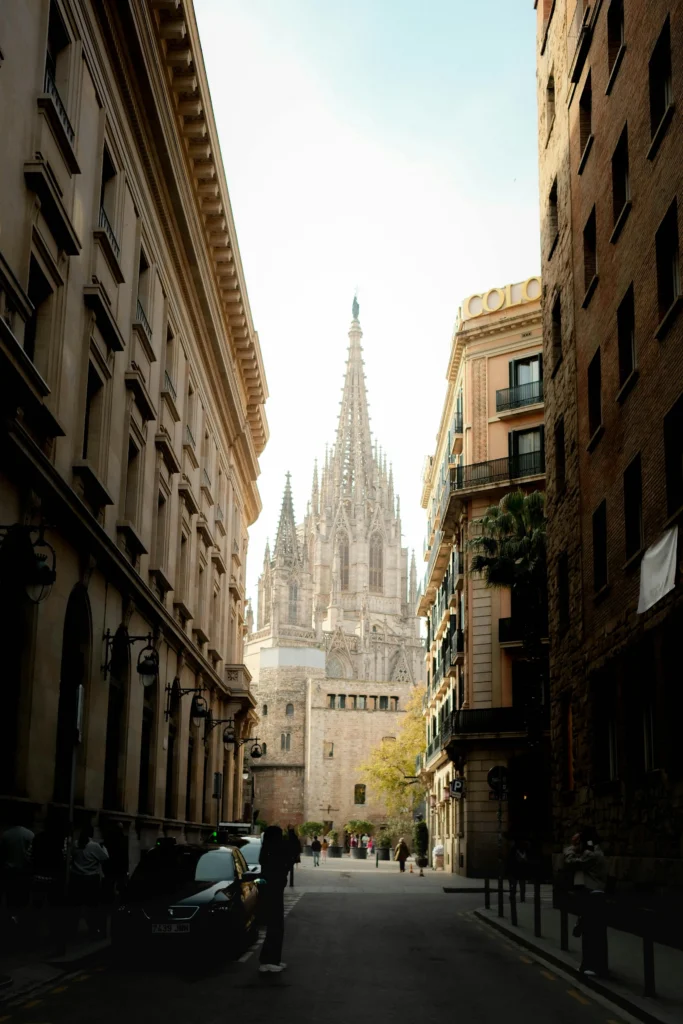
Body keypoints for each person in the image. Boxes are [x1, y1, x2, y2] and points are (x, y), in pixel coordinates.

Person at [563, 827, 608, 977]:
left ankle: (593, 966)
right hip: (595, 896)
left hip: (593, 897)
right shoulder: (595, 852)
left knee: (591, 934)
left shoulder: (590, 855)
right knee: (592, 933)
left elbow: (571, 862)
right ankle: (593, 965)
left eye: (579, 842)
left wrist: (570, 848)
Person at [258, 825, 290, 973]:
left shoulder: (269, 851)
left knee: (277, 926)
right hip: (272, 892)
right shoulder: (272, 852)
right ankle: (267, 961)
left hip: (274, 891)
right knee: (275, 926)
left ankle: (274, 959)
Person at [69, 826, 108, 939]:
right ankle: (93, 929)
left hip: (76, 878)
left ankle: (72, 930)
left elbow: (71, 857)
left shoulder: (76, 844)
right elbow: (104, 857)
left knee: (75, 907)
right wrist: (103, 847)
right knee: (92, 907)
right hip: (91, 880)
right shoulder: (94, 846)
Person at [0, 814, 34, 921]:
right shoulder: (29, 834)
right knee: (23, 895)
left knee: (10, 895)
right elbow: (32, 853)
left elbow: (3, 853)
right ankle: (20, 917)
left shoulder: (6, 834)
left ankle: (11, 916)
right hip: (24, 870)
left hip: (9, 870)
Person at [505, 834, 528, 903]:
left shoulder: (514, 849)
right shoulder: (521, 850)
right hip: (518, 870)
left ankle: (515, 897)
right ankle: (521, 898)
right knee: (520, 886)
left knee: (516, 886)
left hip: (516, 871)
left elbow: (509, 861)